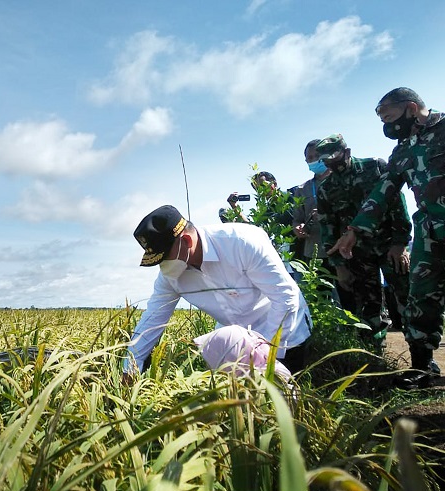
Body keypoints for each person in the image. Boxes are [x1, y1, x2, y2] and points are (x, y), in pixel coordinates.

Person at [328, 87, 443, 388]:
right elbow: (384, 191)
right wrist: (353, 230)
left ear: (411, 108)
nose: (387, 126)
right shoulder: (403, 149)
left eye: (390, 117)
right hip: (431, 232)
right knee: (421, 298)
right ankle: (423, 367)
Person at [126, 205, 312, 377]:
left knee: (284, 399)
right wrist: (130, 367)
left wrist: (269, 359)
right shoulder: (170, 277)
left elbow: (285, 297)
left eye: (165, 257)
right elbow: (152, 320)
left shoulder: (241, 243)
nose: (164, 266)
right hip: (237, 347)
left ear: (187, 240)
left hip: (282, 336)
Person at [315, 133, 411, 345]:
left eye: (335, 156)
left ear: (347, 152)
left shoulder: (375, 168)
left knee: (407, 301)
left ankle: (421, 360)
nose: (331, 162)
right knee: (367, 308)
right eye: (326, 159)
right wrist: (339, 266)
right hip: (358, 255)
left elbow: (396, 203)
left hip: (389, 247)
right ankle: (373, 357)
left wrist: (400, 243)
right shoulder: (326, 189)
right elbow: (328, 229)